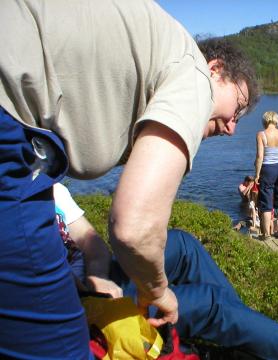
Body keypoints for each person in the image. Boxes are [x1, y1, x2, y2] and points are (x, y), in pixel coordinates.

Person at [0, 1, 260, 357]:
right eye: (238, 108)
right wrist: (157, 292)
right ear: (215, 70)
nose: (232, 127)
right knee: (62, 347)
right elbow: (133, 228)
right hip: (8, 129)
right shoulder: (195, 73)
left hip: (17, 134)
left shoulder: (150, 53)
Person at [56, 183, 278, 360]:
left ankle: (243, 325)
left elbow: (93, 244)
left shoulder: (48, 187)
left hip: (101, 283)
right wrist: (87, 291)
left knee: (183, 245)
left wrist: (96, 278)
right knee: (211, 303)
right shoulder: (14, 207)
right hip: (79, 309)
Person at [254, 111, 278, 240]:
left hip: (267, 169)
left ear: (265, 120)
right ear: (276, 120)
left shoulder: (261, 134)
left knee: (266, 203)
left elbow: (260, 157)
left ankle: (266, 234)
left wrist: (257, 174)